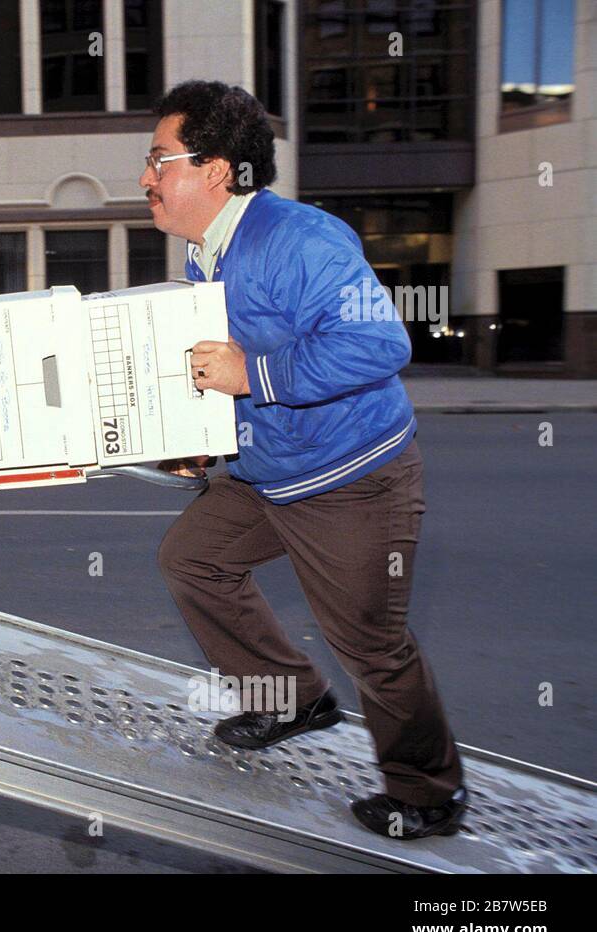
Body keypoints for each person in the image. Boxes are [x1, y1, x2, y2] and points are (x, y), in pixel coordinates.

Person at [140, 80, 468, 840]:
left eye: (160, 158)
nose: (146, 176)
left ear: (217, 169)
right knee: (192, 560)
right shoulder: (208, 253)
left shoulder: (301, 238)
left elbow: (381, 342)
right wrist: (203, 439)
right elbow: (232, 363)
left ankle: (428, 792)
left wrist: (253, 375)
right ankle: (292, 699)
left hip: (352, 480)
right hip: (270, 471)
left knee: (371, 644)